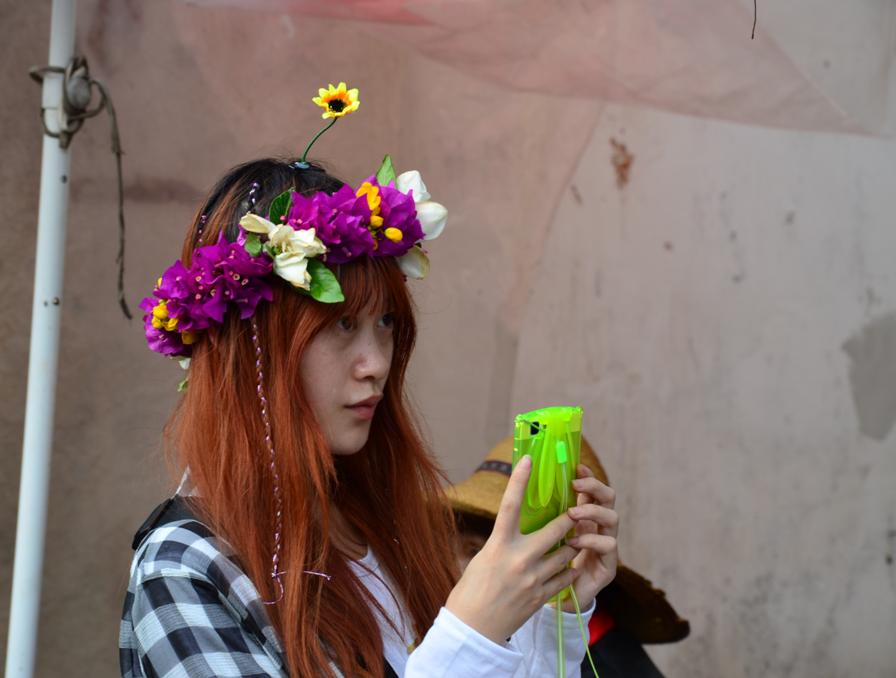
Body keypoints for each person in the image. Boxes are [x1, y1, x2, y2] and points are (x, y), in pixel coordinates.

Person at [118, 82, 621, 677]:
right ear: (254, 349)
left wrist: (551, 608)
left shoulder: (386, 526)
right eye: (341, 325)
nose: (376, 362)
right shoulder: (186, 567)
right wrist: (474, 628)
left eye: (385, 323)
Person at [448, 436, 691, 678]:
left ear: (561, 555)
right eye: (448, 548)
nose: (451, 568)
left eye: (475, 551)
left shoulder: (607, 667)